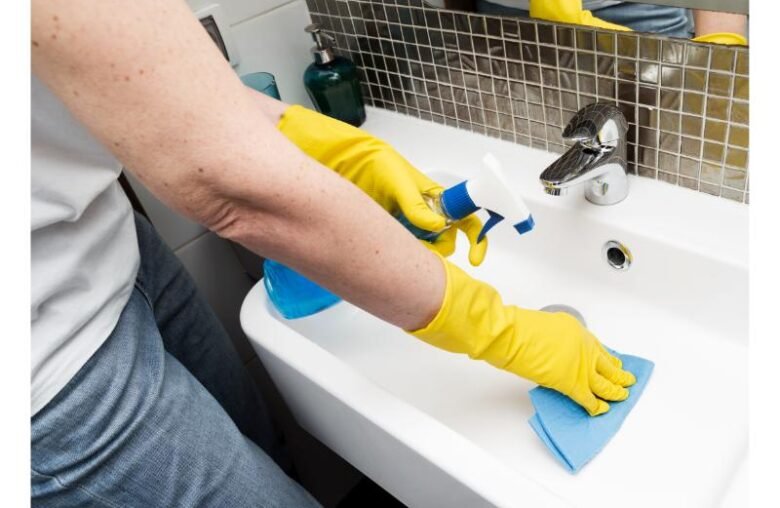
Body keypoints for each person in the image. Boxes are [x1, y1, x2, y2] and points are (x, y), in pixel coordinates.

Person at [31, 0, 637, 505]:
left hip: (100, 240)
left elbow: (164, 89)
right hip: (42, 368)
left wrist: (354, 155)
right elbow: (233, 191)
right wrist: (501, 331)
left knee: (262, 449)